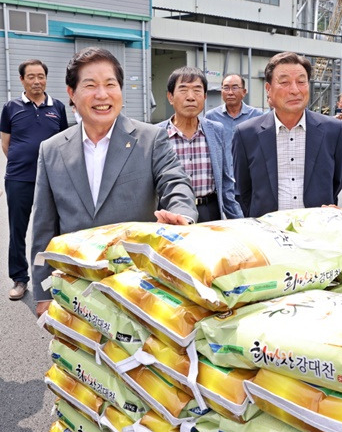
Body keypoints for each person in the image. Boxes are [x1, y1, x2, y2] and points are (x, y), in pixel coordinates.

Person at [31, 47, 197, 316]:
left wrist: (181, 216)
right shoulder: (52, 150)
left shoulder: (149, 139)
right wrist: (42, 291)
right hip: (76, 290)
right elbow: (43, 227)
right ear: (72, 93)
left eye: (110, 84)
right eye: (90, 85)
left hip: (138, 288)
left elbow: (175, 182)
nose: (102, 94)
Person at [232, 51, 342, 218]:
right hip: (267, 231)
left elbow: (337, 182)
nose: (295, 90)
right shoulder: (246, 133)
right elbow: (244, 190)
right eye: (285, 82)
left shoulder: (334, 130)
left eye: (301, 82)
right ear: (268, 88)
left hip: (316, 228)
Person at [0, 59, 68, 301]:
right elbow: (6, 143)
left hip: (51, 179)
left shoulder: (57, 107)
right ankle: (20, 279)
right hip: (19, 178)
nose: (37, 81)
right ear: (22, 80)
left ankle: (55, 276)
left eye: (41, 76)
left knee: (53, 229)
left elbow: (63, 143)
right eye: (31, 77)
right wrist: (23, 163)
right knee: (18, 229)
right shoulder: (10, 107)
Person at [158, 67, 242, 222]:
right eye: (183, 90)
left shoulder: (216, 130)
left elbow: (226, 181)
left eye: (197, 90)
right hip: (171, 214)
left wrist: (239, 220)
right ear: (170, 97)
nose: (191, 97)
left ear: (204, 97)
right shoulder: (157, 134)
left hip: (209, 211)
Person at [205, 73, 263, 170]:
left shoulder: (257, 116)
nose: (230, 92)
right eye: (226, 88)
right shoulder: (211, 116)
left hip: (248, 174)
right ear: (221, 91)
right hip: (221, 175)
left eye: (235, 88)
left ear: (244, 92)